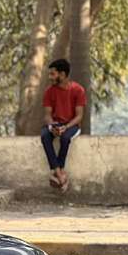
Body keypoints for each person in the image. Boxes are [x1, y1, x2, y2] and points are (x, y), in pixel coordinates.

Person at [40, 58, 86, 191]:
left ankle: (57, 174)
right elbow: (47, 115)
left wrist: (66, 127)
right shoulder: (49, 91)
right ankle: (60, 174)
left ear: (63, 74)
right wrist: (52, 126)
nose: (50, 77)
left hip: (72, 125)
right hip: (56, 123)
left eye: (53, 74)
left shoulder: (78, 90)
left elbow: (79, 116)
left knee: (65, 138)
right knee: (45, 135)